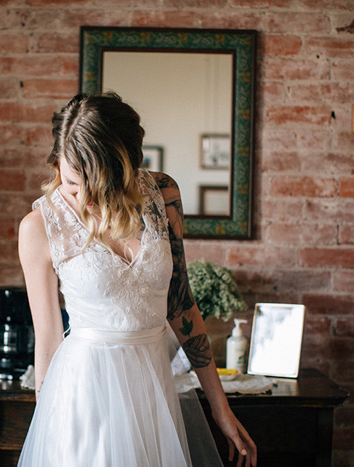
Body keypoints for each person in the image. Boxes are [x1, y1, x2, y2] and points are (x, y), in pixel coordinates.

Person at [17, 92, 256, 467]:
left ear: (123, 168)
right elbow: (47, 342)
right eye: (70, 183)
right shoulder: (39, 228)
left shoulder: (163, 193)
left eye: (92, 185)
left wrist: (220, 408)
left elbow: (181, 303)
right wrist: (48, 434)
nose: (81, 198)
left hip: (152, 389)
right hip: (84, 399)